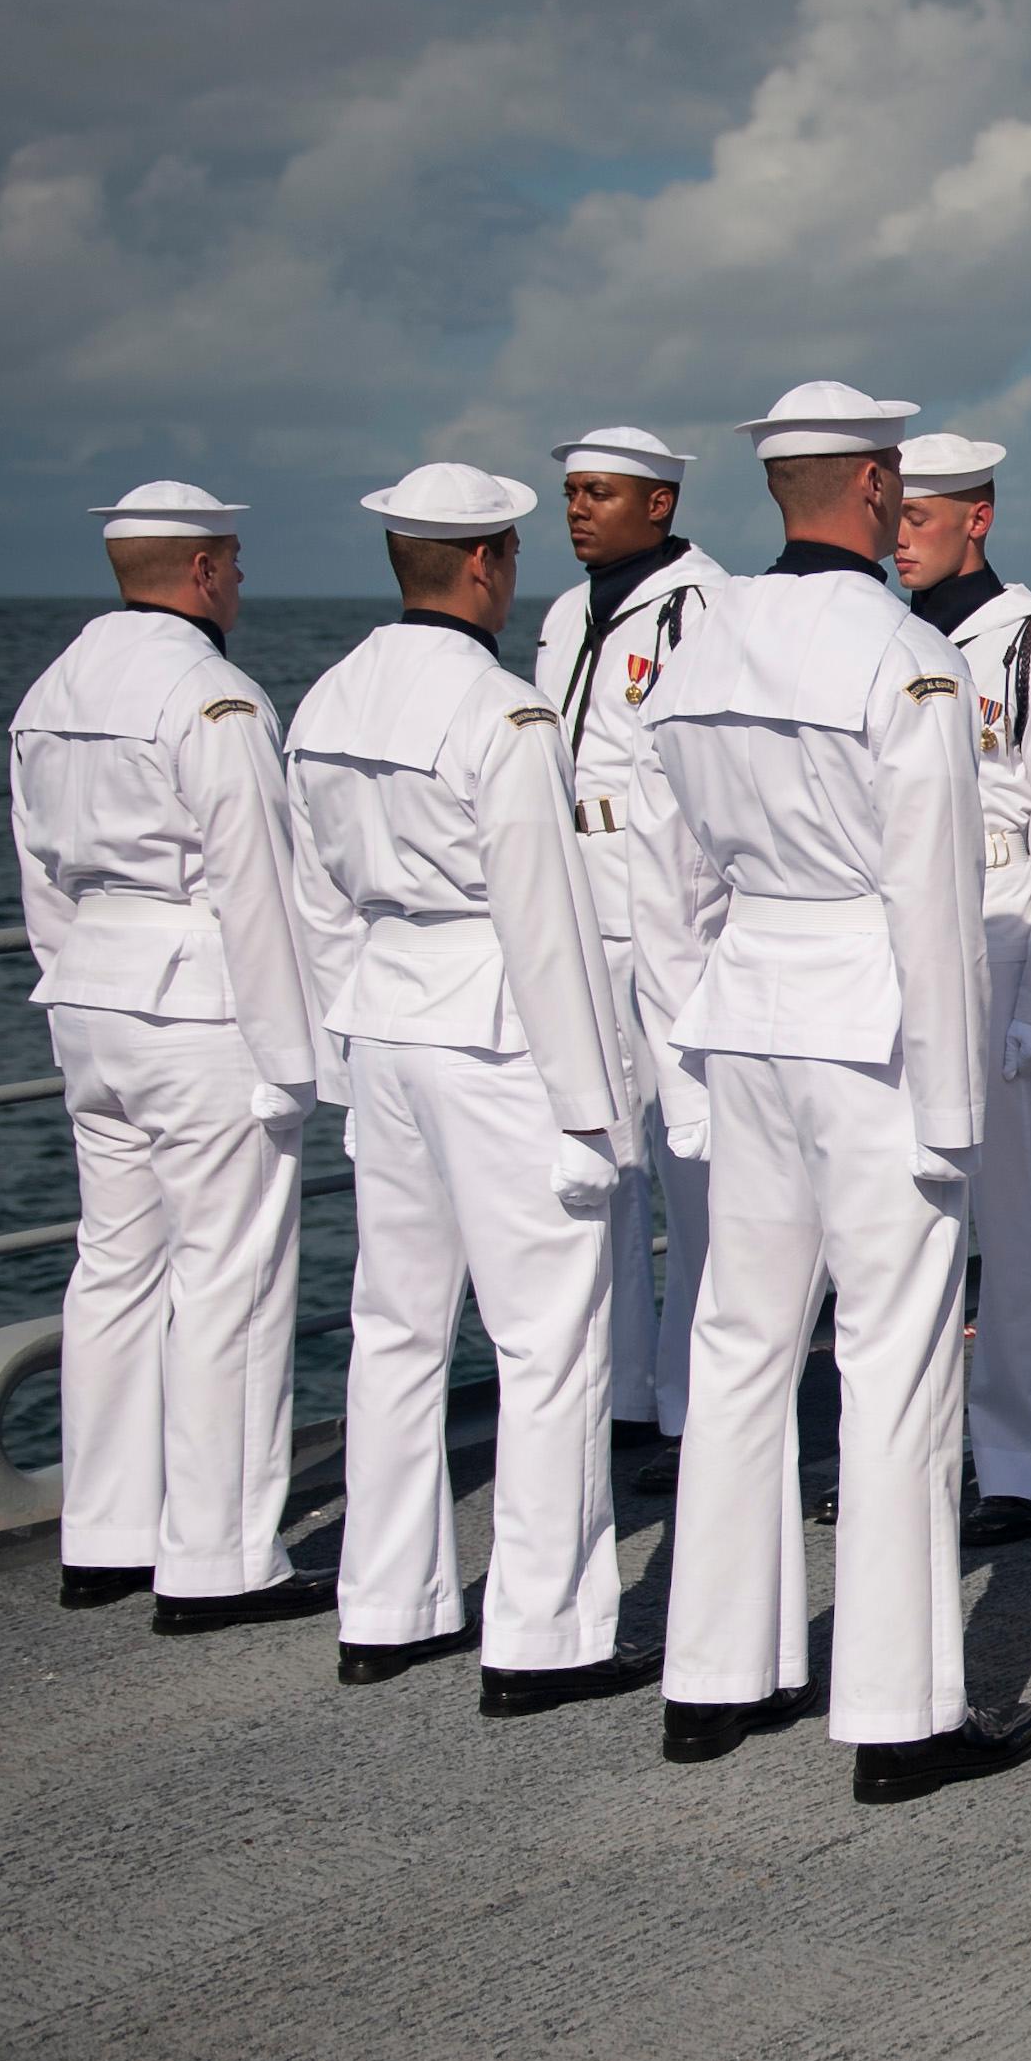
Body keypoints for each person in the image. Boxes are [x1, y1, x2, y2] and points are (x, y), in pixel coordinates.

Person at [627, 380, 1031, 1797]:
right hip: (870, 1020)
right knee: (896, 1359)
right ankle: (897, 1712)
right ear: (874, 486)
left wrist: (689, 1044)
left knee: (740, 1344)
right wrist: (952, 1100)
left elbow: (662, 876)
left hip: (745, 1005)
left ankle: (713, 1678)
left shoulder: (696, 639)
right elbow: (933, 896)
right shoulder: (904, 657)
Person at [286, 462, 654, 1716]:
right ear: (488, 564)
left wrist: (345, 1049)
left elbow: (314, 902)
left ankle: (384, 1610)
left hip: (383, 1016)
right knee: (548, 1336)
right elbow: (548, 926)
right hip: (494, 1027)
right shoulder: (503, 716)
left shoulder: (327, 697)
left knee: (394, 1323)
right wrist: (595, 1108)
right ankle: (544, 1635)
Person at [11, 481, 335, 1631]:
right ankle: (219, 1557)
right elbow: (257, 884)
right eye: (235, 562)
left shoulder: (51, 689)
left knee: (114, 1267)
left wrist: (72, 983)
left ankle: (104, 1535)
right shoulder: (213, 698)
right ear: (201, 570)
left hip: (92, 991)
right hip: (199, 1003)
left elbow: (41, 873)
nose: (241, 581)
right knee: (230, 1278)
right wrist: (297, 1057)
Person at [892, 431, 1031, 1545]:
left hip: (1001, 936)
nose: (897, 539)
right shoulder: (884, 638)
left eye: (918, 518)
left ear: (975, 517)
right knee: (899, 1213)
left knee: (1011, 1224)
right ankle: (917, 1451)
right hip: (898, 939)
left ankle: (1027, 1463)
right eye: (891, 515)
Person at [530, 427, 725, 1471]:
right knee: (599, 1158)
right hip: (574, 891)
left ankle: (698, 1401)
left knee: (695, 1161)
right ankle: (618, 1390)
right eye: (569, 493)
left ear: (656, 503)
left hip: (664, 891)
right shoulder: (565, 615)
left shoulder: (702, 603)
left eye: (597, 493)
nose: (576, 510)